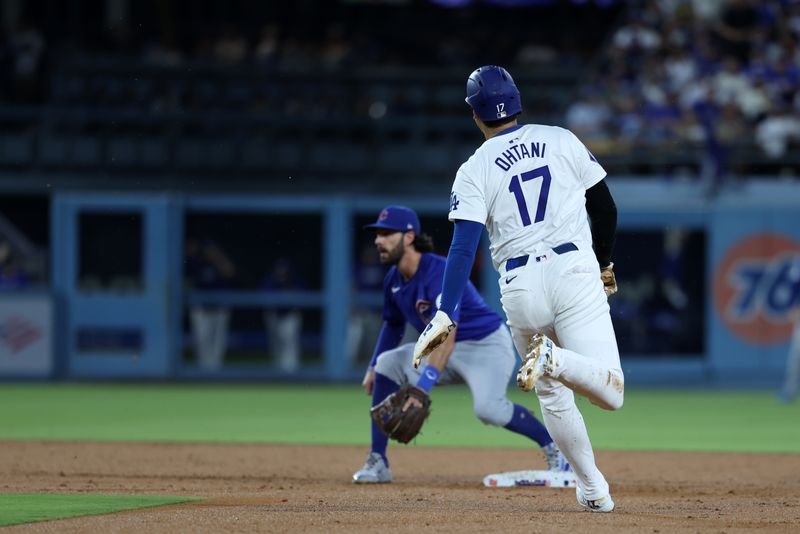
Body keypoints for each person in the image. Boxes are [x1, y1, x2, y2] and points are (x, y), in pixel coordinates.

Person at [413, 66, 623, 513]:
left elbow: (462, 247)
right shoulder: (561, 138)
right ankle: (557, 358)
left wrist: (446, 312)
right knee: (611, 394)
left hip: (520, 286)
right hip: (573, 270)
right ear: (518, 101)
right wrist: (604, 261)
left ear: (475, 115)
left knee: (551, 394)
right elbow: (604, 207)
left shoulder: (473, 169)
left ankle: (593, 490)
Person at [352, 205, 570, 484]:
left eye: (386, 233)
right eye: (377, 234)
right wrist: (372, 366)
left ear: (408, 237)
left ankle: (556, 451)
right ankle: (378, 460)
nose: (378, 240)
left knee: (489, 409)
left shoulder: (439, 271)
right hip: (441, 352)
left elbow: (447, 333)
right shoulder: (393, 280)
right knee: (386, 364)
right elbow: (393, 325)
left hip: (485, 346)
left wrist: (422, 389)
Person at [184, 237, 236, 370]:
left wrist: (218, 257)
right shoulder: (197, 263)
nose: (210, 252)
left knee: (218, 340)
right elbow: (186, 267)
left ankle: (215, 368)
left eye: (212, 250)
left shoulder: (219, 263)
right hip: (201, 308)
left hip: (219, 308)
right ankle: (203, 367)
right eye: (207, 250)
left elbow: (230, 272)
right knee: (202, 338)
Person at [262, 257, 304, 373]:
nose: (282, 274)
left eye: (284, 271)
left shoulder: (294, 280)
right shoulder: (271, 280)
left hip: (290, 316)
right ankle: (278, 372)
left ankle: (291, 372)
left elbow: (302, 295)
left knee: (290, 344)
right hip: (274, 315)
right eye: (279, 271)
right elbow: (264, 296)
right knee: (276, 345)